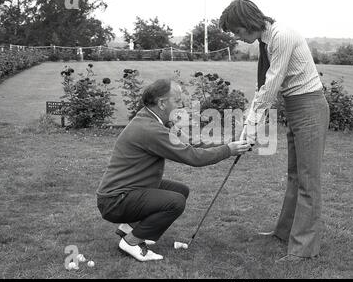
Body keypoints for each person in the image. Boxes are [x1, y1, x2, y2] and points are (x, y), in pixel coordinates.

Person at [219, 0, 330, 261]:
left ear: (247, 23)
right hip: (295, 106)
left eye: (236, 31)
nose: (236, 37)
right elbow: (263, 89)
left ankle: (304, 249)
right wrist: (249, 127)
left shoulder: (282, 36)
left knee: (308, 179)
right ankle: (285, 232)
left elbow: (271, 86)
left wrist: (251, 127)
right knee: (295, 175)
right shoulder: (267, 40)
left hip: (310, 107)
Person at [96, 78, 250, 262]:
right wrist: (228, 150)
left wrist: (231, 144)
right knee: (175, 202)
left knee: (180, 190)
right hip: (115, 200)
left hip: (126, 191)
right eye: (177, 101)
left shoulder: (155, 121)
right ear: (162, 103)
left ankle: (127, 228)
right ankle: (132, 242)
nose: (182, 105)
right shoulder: (151, 129)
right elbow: (193, 157)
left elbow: (193, 143)